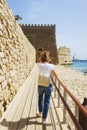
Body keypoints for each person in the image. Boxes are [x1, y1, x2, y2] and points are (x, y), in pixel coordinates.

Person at [36, 51, 58, 124]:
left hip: (40, 84)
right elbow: (55, 75)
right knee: (47, 101)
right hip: (48, 85)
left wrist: (42, 55)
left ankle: (40, 113)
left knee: (40, 98)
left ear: (42, 58)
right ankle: (44, 119)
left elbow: (37, 60)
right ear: (48, 59)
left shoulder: (39, 65)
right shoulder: (51, 66)